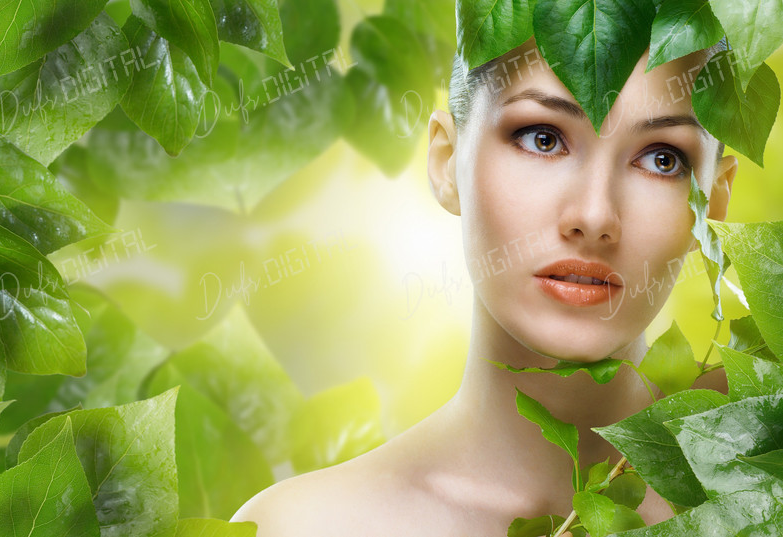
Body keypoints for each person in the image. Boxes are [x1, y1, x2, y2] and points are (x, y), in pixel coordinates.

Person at [231, 33, 738, 536]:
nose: (594, 214)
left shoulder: (759, 493)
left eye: (661, 159)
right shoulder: (304, 526)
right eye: (543, 137)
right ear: (446, 161)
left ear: (713, 206)